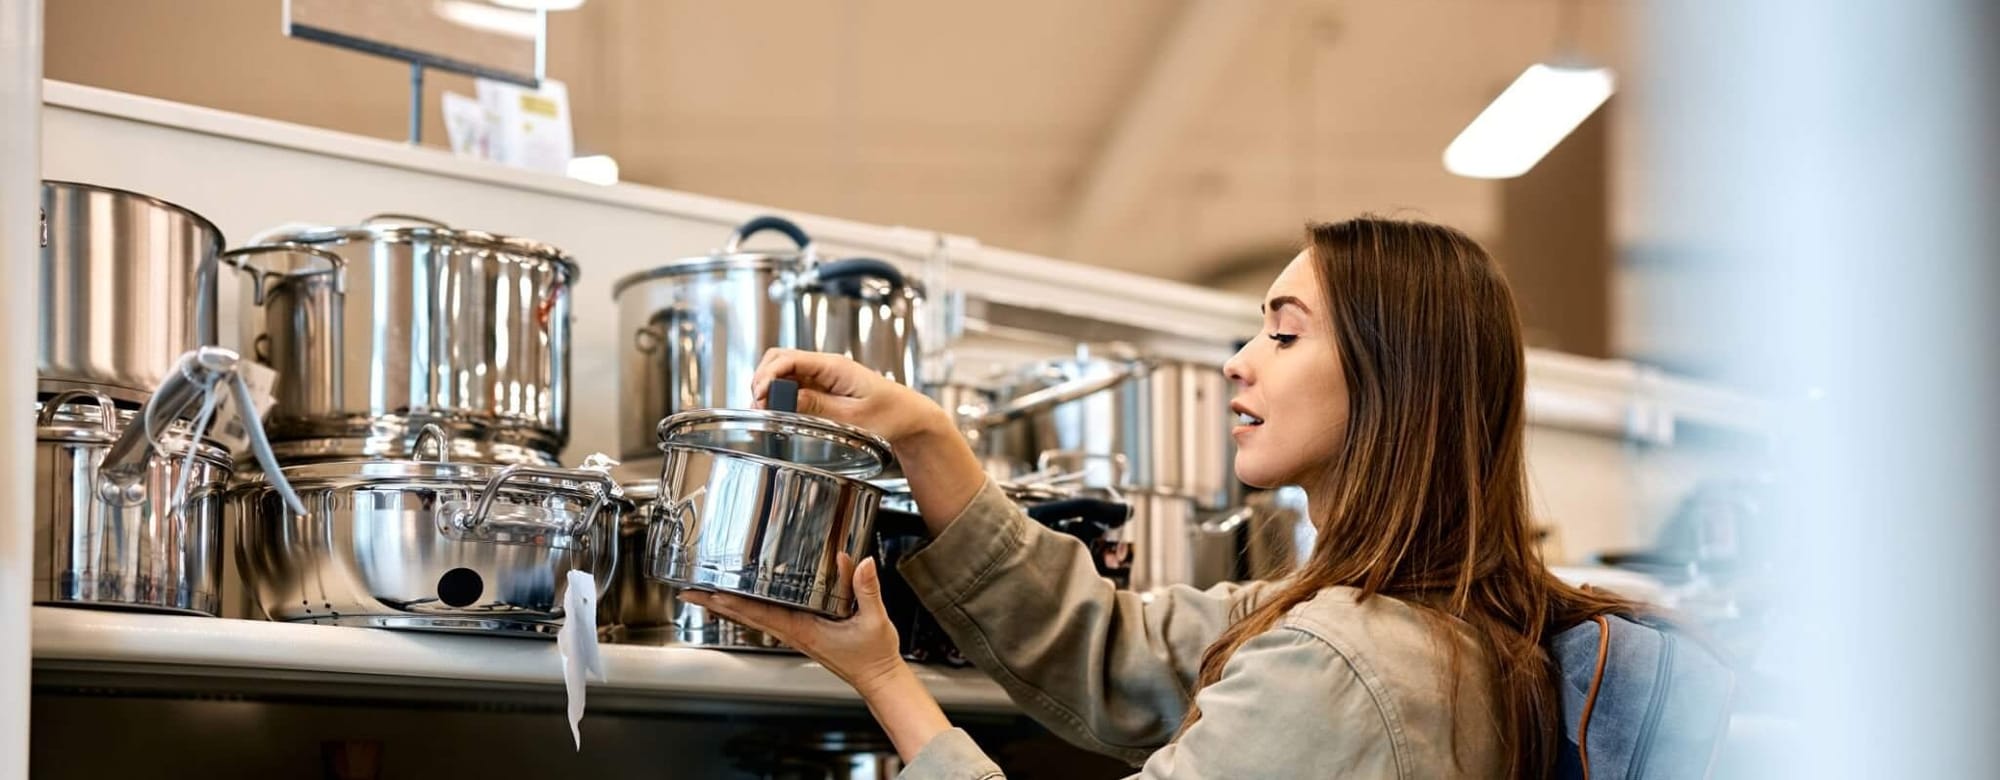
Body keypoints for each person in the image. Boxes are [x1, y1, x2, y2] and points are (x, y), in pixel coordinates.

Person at [680, 217, 1643, 779]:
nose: (1238, 361)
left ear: (1396, 380)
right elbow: (1109, 641)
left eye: (1283, 335)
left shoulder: (1344, 665)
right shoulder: (1428, 624)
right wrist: (928, 435)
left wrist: (886, 679)